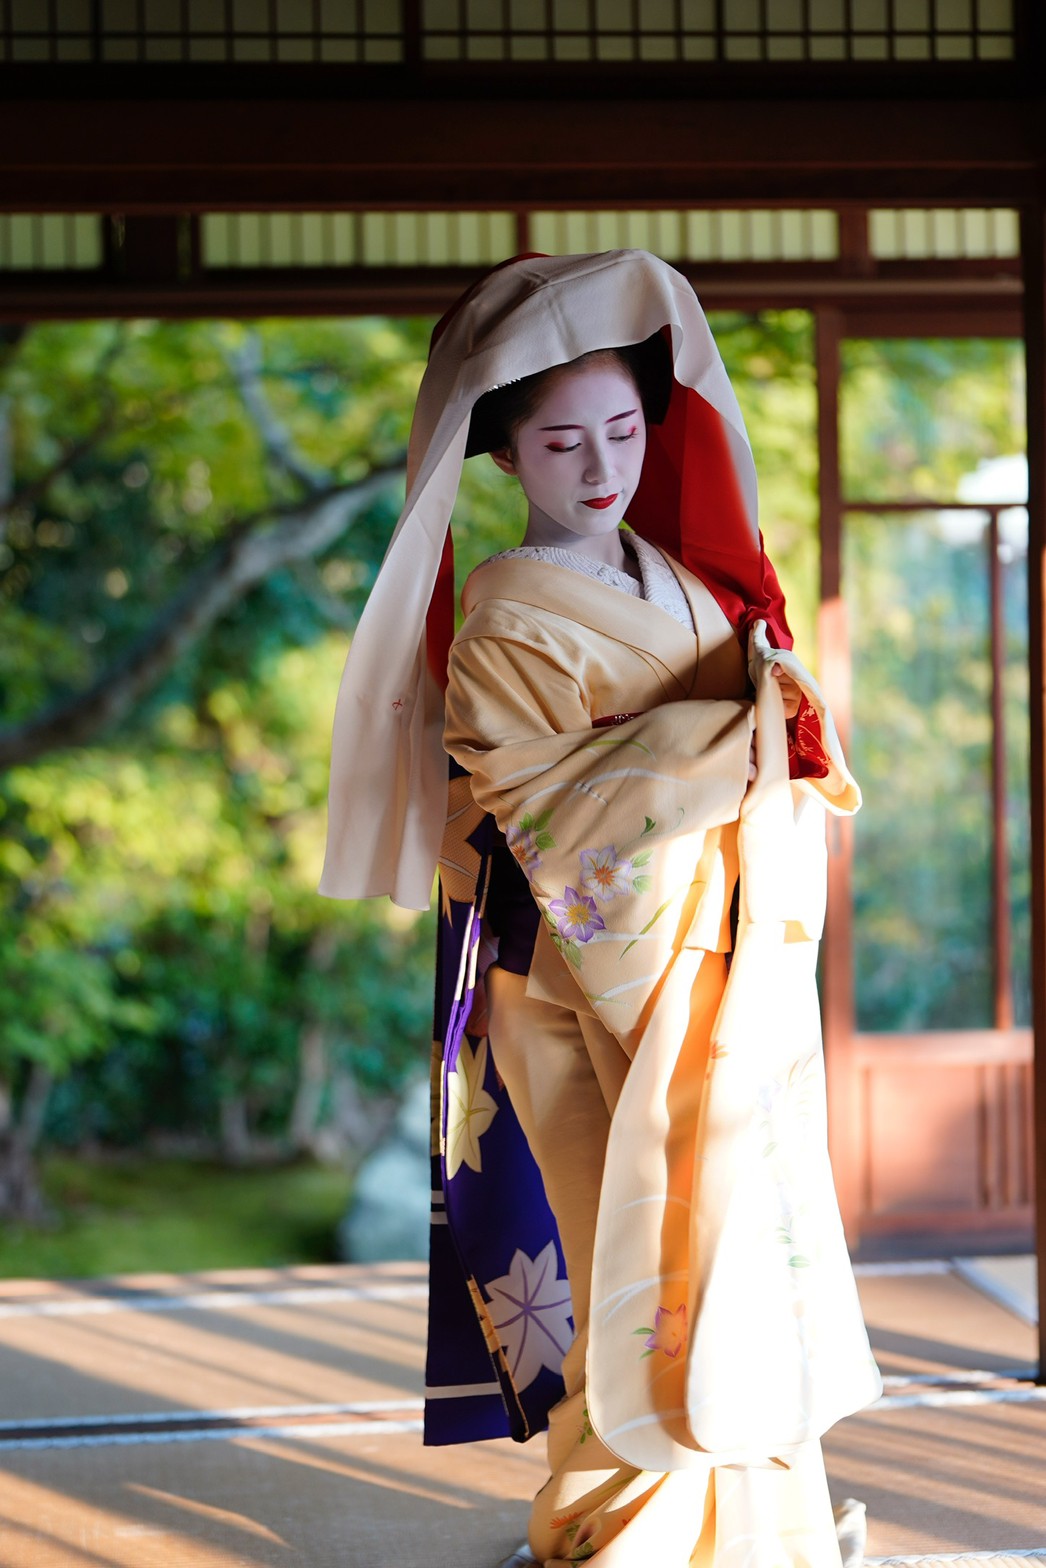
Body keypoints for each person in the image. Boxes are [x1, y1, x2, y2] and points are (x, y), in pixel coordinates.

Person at [321, 251, 881, 1567]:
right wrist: (738, 731)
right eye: (561, 440)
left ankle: (759, 1530)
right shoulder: (505, 622)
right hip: (596, 982)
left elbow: (743, 743)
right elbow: (557, 822)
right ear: (505, 455)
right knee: (638, 1268)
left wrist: (754, 728)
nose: (599, 465)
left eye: (622, 431)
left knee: (742, 1250)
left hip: (712, 967)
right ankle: (620, 1534)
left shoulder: (682, 572)